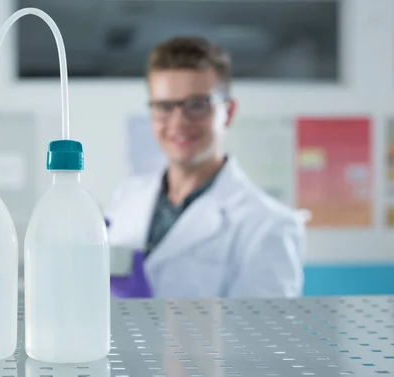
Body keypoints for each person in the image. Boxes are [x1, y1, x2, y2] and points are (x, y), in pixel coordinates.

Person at [106, 36, 306, 298]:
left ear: (229, 112)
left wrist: (152, 314)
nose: (179, 121)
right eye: (164, 106)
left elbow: (263, 336)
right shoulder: (127, 197)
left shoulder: (269, 226)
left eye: (197, 105)